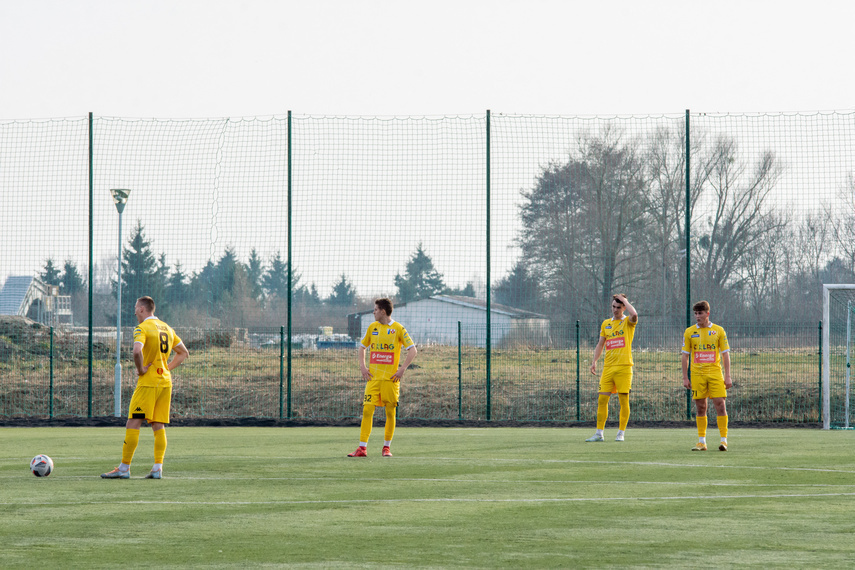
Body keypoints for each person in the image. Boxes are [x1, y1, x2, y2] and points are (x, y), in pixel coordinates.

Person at [102, 296, 189, 478]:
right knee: (158, 424)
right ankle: (158, 468)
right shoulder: (167, 328)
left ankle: (124, 468)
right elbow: (183, 353)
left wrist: (141, 369)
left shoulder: (142, 328)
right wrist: (166, 368)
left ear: (142, 309)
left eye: (136, 308)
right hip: (165, 383)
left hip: (148, 383)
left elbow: (136, 351)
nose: (134, 312)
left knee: (133, 421)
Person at [348, 298, 417, 458]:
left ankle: (386, 448)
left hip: (391, 380)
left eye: (375, 310)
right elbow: (362, 347)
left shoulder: (398, 329)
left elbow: (413, 350)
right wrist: (363, 367)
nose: (373, 312)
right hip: (373, 379)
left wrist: (402, 369)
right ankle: (362, 448)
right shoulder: (373, 328)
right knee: (367, 410)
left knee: (390, 413)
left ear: (383, 311)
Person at [586, 294, 638, 442]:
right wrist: (594, 361)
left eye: (619, 307)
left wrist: (625, 300)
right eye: (613, 307)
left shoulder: (628, 322)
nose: (615, 310)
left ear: (623, 308)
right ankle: (599, 433)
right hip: (608, 367)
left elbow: (634, 314)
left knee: (623, 400)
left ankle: (621, 433)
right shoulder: (606, 324)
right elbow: (600, 343)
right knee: (602, 400)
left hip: (624, 367)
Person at [682, 300, 732, 451]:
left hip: (715, 373)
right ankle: (701, 442)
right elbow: (685, 356)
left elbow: (725, 354)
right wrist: (685, 377)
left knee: (720, 405)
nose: (697, 316)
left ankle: (724, 441)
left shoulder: (718, 330)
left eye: (700, 313)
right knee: (700, 407)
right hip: (697, 375)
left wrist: (728, 375)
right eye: (696, 313)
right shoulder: (689, 332)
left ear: (707, 314)